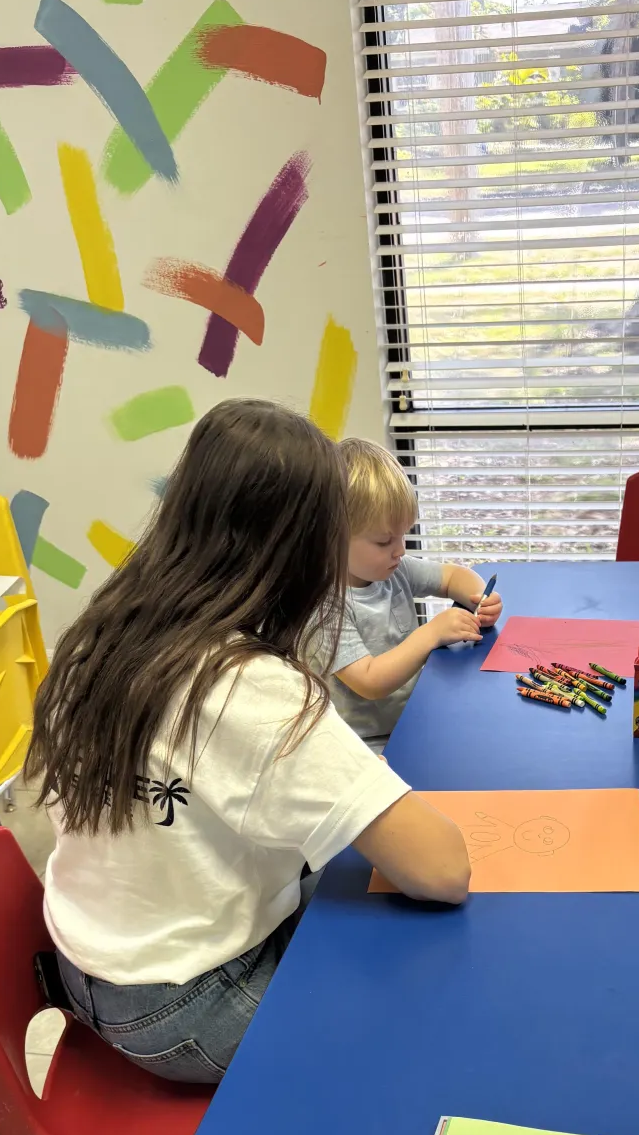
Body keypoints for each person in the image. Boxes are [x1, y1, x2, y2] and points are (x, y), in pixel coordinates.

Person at [25, 400, 470, 1085]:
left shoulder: (104, 628)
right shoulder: (245, 686)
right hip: (183, 1000)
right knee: (428, 1017)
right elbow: (443, 869)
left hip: (92, 959)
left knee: (359, 882)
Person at [323, 438, 504, 752]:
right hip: (364, 745)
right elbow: (369, 682)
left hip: (414, 718)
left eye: (403, 535)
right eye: (384, 541)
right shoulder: (324, 606)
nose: (400, 550)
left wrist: (479, 598)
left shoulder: (395, 568)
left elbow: (452, 576)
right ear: (332, 537)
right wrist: (431, 634)